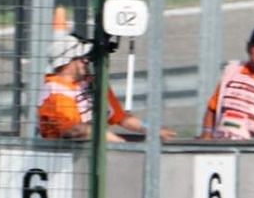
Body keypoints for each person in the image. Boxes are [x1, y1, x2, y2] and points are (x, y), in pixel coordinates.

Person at [36, 34, 165, 141]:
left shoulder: (91, 83)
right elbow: (74, 129)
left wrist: (153, 130)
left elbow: (121, 118)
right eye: (83, 58)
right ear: (67, 62)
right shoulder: (54, 90)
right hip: (63, 159)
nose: (87, 61)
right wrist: (119, 143)